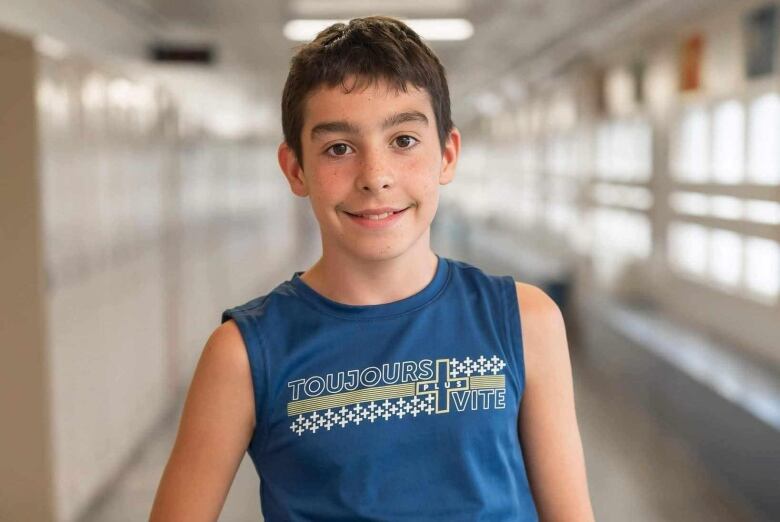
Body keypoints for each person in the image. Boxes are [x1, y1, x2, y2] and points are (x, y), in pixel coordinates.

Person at [150, 15, 594, 522]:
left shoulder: (523, 322)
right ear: (296, 169)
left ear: (446, 155)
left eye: (403, 140)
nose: (375, 177)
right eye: (339, 148)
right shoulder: (246, 356)